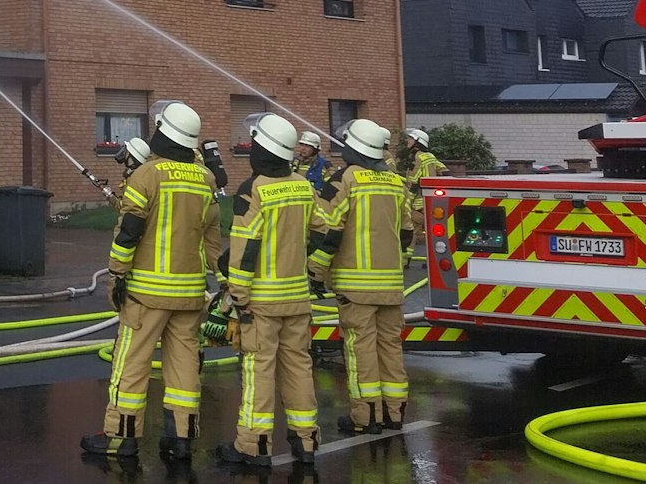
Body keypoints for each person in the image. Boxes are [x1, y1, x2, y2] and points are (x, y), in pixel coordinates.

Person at [80, 100, 223, 462]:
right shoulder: (206, 179)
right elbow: (213, 239)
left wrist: (116, 274)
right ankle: (182, 440)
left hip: (146, 294)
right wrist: (220, 284)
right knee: (184, 367)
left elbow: (129, 232)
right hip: (190, 295)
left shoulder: (147, 175)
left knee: (131, 364)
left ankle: (121, 438)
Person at [219, 114, 329, 468]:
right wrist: (295, 257)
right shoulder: (302, 185)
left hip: (261, 301)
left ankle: (253, 446)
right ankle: (306, 441)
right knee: (299, 366)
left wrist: (237, 296)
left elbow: (245, 249)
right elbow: (321, 230)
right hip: (297, 298)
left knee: (259, 370)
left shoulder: (254, 189)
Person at [309, 119, 412, 435]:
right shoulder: (396, 182)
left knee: (361, 351)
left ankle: (365, 417)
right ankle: (394, 414)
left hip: (355, 287)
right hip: (392, 286)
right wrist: (398, 265)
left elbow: (329, 233)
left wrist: (315, 272)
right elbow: (407, 233)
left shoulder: (343, 180)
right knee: (391, 348)